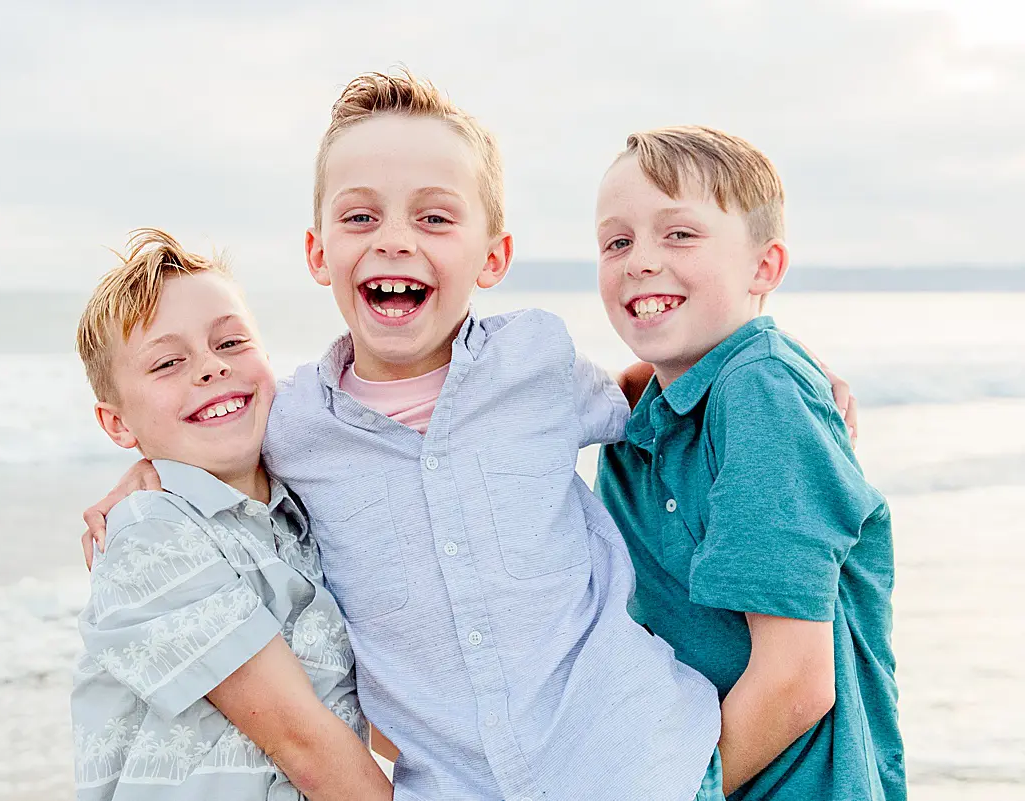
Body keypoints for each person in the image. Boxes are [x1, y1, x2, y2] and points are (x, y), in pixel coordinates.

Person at [81, 74, 858, 801]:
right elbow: (212, 448)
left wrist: (774, 364)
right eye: (360, 216)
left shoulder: (538, 361)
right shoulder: (290, 424)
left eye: (434, 216)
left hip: (639, 756)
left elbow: (649, 395)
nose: (393, 240)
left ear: (494, 257)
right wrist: (145, 476)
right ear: (319, 253)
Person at [594, 126, 903, 800]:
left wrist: (682, 792)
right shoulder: (641, 411)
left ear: (763, 268)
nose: (640, 259)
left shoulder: (761, 390)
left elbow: (796, 680)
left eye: (679, 234)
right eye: (617, 241)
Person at [69, 228, 391, 801]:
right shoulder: (151, 533)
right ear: (118, 424)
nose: (210, 369)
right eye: (168, 362)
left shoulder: (302, 516)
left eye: (232, 343)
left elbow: (373, 712)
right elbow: (303, 743)